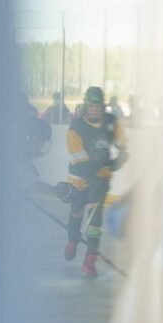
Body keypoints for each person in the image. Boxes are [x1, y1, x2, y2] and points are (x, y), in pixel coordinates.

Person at [61, 86, 128, 277]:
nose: (94, 108)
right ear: (85, 105)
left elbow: (122, 145)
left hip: (101, 180)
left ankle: (90, 261)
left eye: (97, 105)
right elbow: (79, 162)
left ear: (102, 106)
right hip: (80, 179)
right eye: (91, 104)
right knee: (77, 211)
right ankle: (72, 240)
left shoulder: (111, 122)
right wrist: (98, 170)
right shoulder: (76, 128)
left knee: (95, 221)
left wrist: (119, 159)